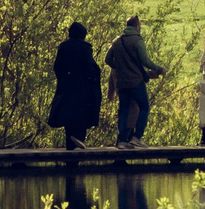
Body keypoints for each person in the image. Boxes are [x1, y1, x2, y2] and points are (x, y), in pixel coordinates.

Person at [105, 15, 164, 144]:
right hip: (136, 82)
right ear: (137, 26)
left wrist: (120, 67)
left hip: (122, 82)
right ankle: (137, 137)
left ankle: (121, 140)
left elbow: (107, 60)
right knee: (144, 107)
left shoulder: (117, 41)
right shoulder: (138, 41)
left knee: (123, 110)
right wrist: (159, 69)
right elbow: (145, 61)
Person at [47, 20, 103, 151]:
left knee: (69, 120)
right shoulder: (84, 48)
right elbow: (91, 68)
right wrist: (93, 79)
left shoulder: (63, 47)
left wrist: (64, 79)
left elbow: (57, 67)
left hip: (66, 89)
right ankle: (78, 143)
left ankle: (70, 150)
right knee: (82, 118)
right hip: (82, 90)